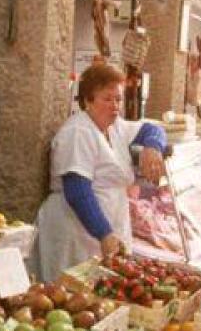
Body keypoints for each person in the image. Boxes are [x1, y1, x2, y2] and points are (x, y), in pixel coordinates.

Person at [35, 64, 167, 281]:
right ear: (87, 101)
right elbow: (78, 191)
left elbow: (154, 129)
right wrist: (104, 233)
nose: (115, 106)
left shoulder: (115, 128)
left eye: (118, 99)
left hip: (106, 229)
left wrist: (153, 147)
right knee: (72, 299)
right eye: (107, 99)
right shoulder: (78, 132)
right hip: (76, 231)